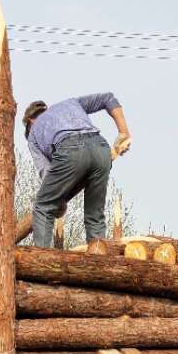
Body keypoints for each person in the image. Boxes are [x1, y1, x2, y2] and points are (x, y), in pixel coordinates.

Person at [23, 94, 131, 248]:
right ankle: (98, 262)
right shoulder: (70, 103)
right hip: (100, 149)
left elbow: (46, 173)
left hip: (70, 151)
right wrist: (123, 132)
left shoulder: (33, 135)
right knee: (95, 215)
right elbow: (108, 99)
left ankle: (42, 262)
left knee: (42, 207)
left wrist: (57, 199)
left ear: (30, 122)